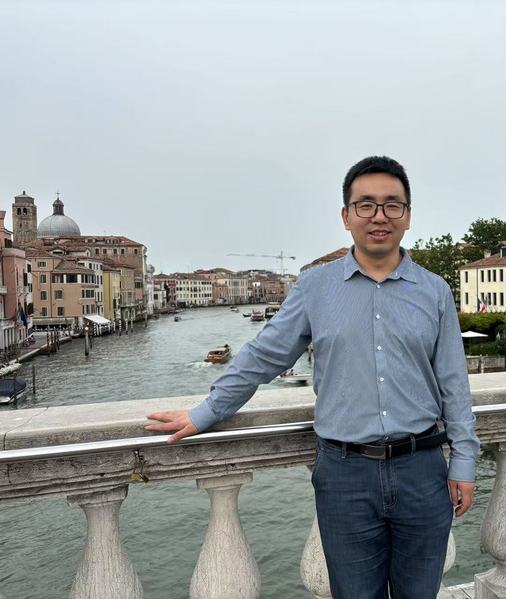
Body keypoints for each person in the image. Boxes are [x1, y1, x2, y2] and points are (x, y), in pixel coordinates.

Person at [145, 155, 479, 599]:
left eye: (391, 204)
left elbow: (454, 383)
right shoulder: (315, 287)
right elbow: (264, 355)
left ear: (408, 215)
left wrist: (464, 461)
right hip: (344, 474)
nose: (379, 216)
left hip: (423, 470)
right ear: (346, 216)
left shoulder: (435, 291)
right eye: (365, 204)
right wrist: (206, 412)